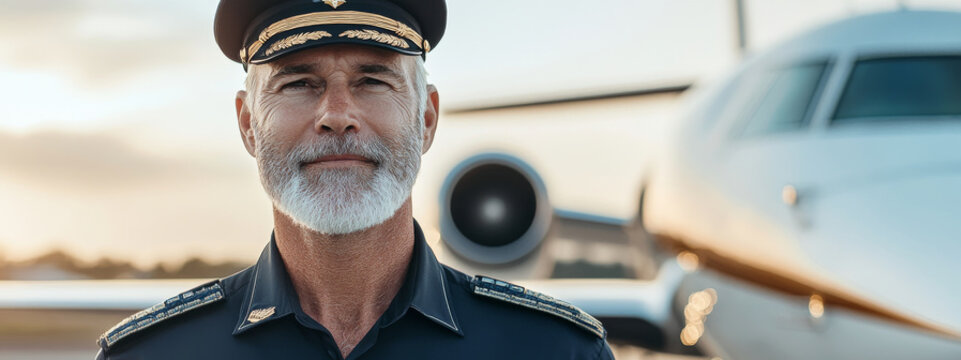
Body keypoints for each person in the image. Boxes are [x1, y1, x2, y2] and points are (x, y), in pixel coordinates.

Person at [94, 0, 614, 359]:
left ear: (427, 119)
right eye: (298, 82)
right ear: (248, 123)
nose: (337, 114)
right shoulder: (148, 356)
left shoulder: (558, 353)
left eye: (373, 80)